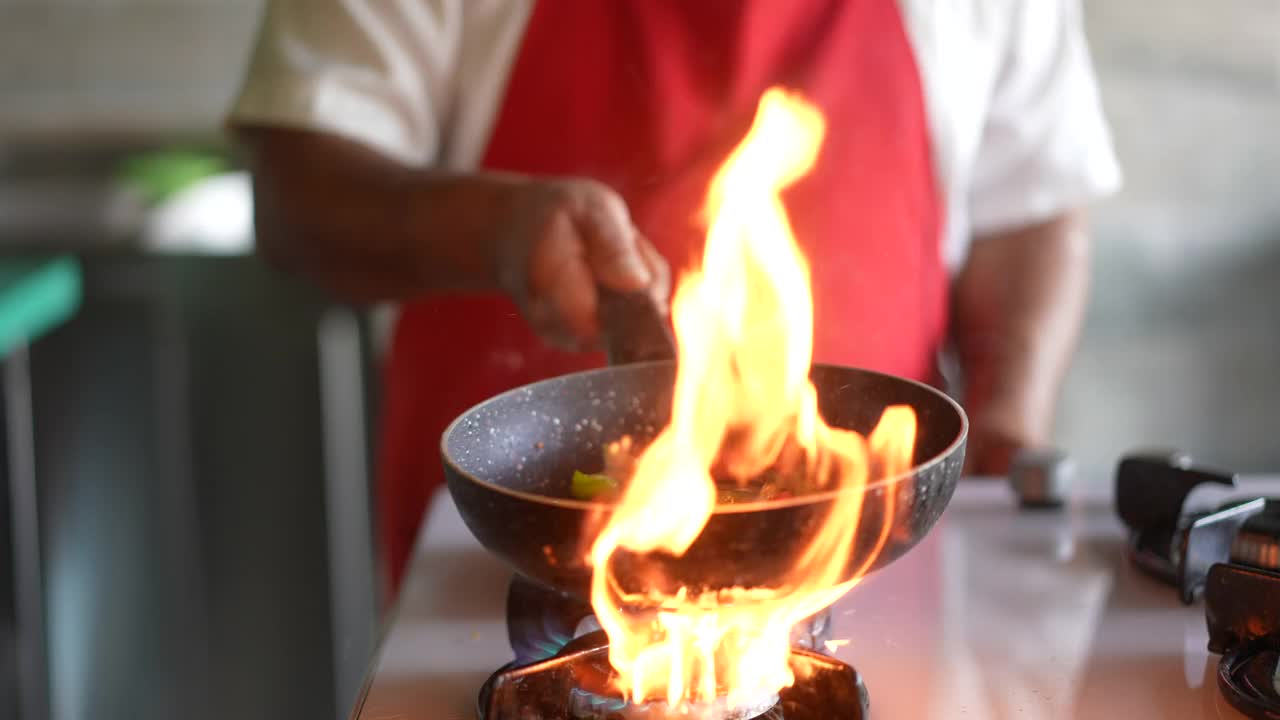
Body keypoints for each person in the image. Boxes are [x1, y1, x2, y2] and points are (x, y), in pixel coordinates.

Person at [229, 0, 1120, 591]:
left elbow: (1031, 208)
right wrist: (491, 230)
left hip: (879, 566)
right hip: (507, 573)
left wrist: (1007, 418)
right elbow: (297, 196)